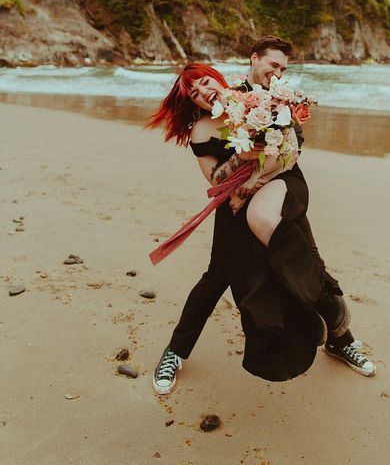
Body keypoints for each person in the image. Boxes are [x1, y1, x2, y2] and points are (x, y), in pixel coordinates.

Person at [149, 36, 376, 394]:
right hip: (233, 203)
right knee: (216, 277)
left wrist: (252, 180)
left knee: (306, 260)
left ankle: (339, 335)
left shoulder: (271, 101)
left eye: (206, 81)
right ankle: (175, 352)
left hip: (280, 189)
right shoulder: (206, 125)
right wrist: (245, 158)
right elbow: (215, 179)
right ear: (254, 60)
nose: (204, 90)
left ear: (216, 77)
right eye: (195, 90)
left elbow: (291, 151)